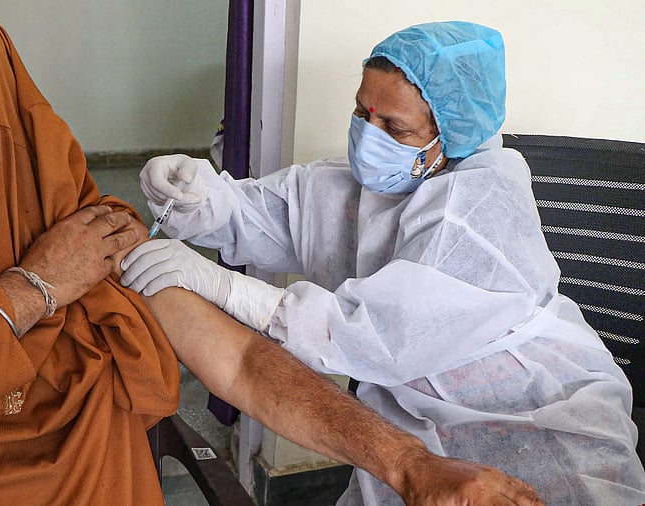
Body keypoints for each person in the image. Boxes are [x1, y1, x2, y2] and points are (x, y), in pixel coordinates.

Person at [0, 10, 545, 505]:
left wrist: (407, 465)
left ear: (10, 112)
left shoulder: (78, 225)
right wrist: (31, 289)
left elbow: (241, 366)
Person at [122, 20, 645, 505]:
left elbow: (372, 337)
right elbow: (268, 213)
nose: (369, 136)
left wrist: (223, 288)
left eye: (394, 127)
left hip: (534, 409)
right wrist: (200, 197)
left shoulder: (475, 213)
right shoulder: (368, 186)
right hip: (409, 414)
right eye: (361, 112)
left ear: (452, 135)